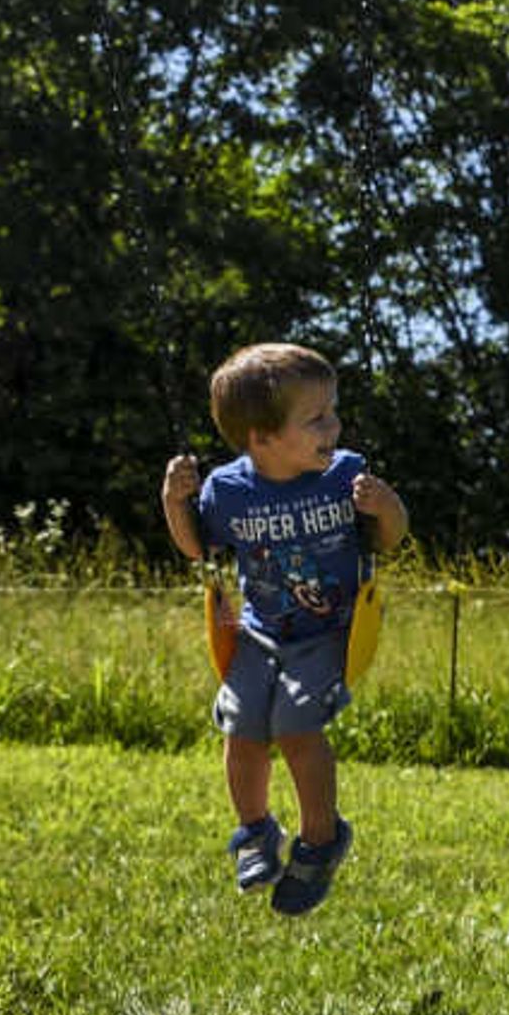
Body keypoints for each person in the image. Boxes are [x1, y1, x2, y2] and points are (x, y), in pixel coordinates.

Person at [161, 341, 409, 916]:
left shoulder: (345, 475)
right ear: (263, 439)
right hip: (259, 631)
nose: (334, 425)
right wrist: (175, 503)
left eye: (333, 411)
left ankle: (321, 841)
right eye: (316, 418)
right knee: (243, 725)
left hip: (331, 632)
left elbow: (390, 536)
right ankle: (254, 832)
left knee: (296, 723)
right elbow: (199, 547)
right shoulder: (227, 490)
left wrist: (387, 505)